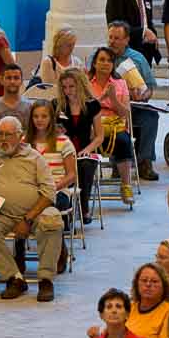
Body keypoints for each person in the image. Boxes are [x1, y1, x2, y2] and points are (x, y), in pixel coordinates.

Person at [0, 116, 62, 301]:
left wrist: (28, 219)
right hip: (3, 215)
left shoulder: (34, 158)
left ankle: (46, 280)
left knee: (53, 221)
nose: (3, 139)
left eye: (8, 134)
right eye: (0, 134)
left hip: (37, 211)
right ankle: (14, 278)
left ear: (20, 136)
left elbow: (49, 193)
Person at [106, 20, 160, 182]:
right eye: (110, 37)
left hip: (134, 106)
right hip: (109, 108)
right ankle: (118, 162)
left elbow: (150, 87)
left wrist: (143, 95)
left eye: (117, 38)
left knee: (151, 117)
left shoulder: (138, 58)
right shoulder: (101, 57)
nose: (112, 42)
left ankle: (144, 161)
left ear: (126, 39)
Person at [55, 69, 104, 225]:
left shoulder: (92, 105)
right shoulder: (57, 105)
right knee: (67, 165)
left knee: (86, 164)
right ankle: (67, 206)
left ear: (80, 85)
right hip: (63, 151)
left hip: (85, 149)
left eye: (71, 86)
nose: (68, 91)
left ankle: (84, 206)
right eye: (64, 87)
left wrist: (87, 150)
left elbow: (99, 136)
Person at [86, 48, 135, 205]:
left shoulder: (120, 83)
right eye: (101, 60)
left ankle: (126, 185)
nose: (105, 63)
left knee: (124, 140)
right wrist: (101, 99)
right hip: (92, 126)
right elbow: (84, 109)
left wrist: (113, 99)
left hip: (114, 127)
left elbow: (125, 113)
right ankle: (84, 187)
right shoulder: (86, 83)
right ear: (94, 63)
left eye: (109, 60)